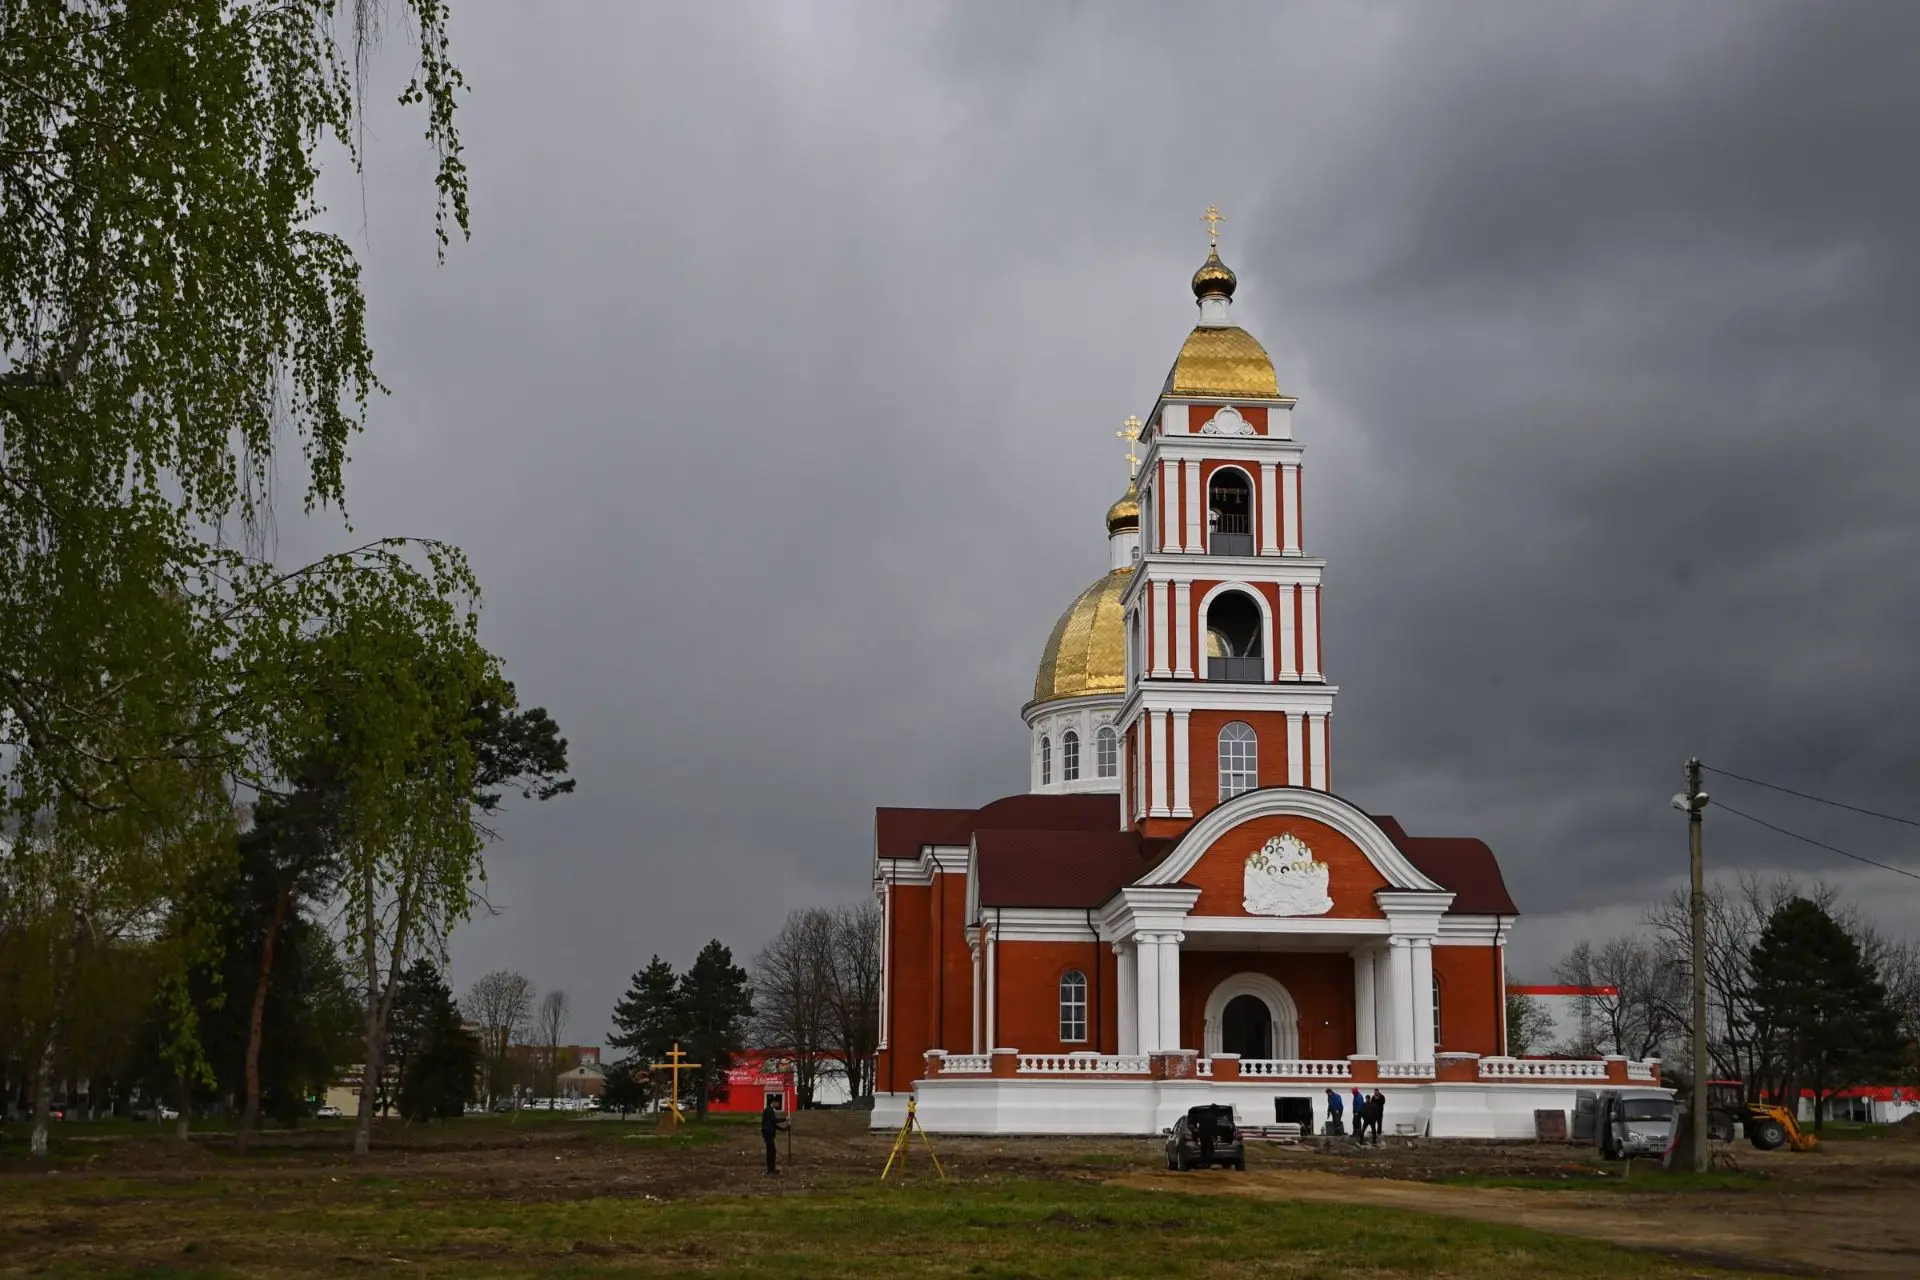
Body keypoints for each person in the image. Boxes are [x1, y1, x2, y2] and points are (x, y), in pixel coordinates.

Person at [761, 1097, 789, 1175]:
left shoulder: (771, 1110)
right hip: (767, 1134)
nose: (778, 1104)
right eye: (777, 1102)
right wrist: (785, 1119)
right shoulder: (769, 1110)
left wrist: (783, 1129)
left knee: (772, 1151)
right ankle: (770, 1170)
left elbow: (773, 1124)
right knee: (771, 1151)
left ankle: (772, 1169)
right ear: (773, 1102)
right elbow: (774, 1120)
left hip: (769, 1133)